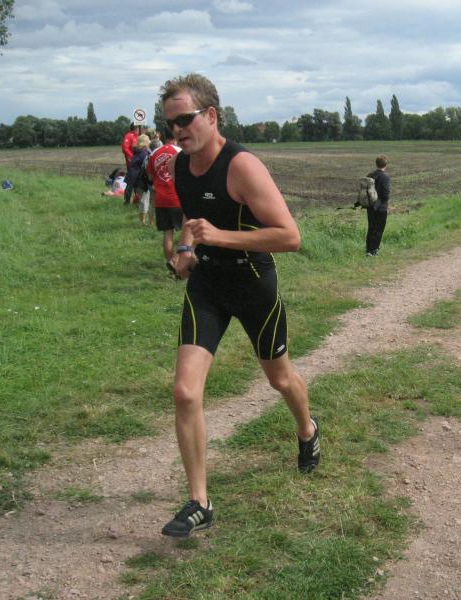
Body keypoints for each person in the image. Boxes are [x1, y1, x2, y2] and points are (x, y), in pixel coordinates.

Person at [159, 73, 320, 538]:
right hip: (207, 285)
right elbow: (194, 225)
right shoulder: (179, 167)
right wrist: (185, 252)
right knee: (185, 392)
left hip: (253, 285)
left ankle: (307, 430)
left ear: (211, 115)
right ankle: (200, 502)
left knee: (280, 378)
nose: (178, 131)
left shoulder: (242, 166)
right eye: (171, 124)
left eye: (185, 120)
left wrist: (219, 237)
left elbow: (290, 237)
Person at [146, 132, 183, 267]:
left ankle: (170, 262)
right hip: (177, 198)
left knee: (167, 233)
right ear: (176, 137)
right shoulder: (180, 151)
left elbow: (150, 176)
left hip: (160, 199)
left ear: (164, 137)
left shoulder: (154, 153)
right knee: (186, 231)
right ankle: (178, 259)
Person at [364, 155, 391, 257]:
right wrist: (387, 204)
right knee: (379, 229)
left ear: (376, 164)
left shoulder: (370, 175)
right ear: (385, 164)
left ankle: (368, 250)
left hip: (370, 207)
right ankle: (374, 251)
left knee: (371, 228)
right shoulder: (385, 177)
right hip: (381, 208)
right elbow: (385, 194)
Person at [123, 134, 150, 206]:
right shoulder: (144, 153)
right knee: (140, 193)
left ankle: (128, 203)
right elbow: (146, 165)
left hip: (132, 174)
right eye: (148, 141)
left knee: (130, 191)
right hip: (137, 175)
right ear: (145, 143)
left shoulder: (137, 151)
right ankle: (135, 204)